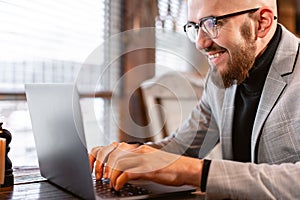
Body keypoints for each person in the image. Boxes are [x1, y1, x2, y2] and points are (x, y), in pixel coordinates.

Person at [89, 0, 300, 199]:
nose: (200, 42)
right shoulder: (220, 76)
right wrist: (133, 154)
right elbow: (184, 146)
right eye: (195, 26)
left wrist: (193, 171)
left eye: (212, 23)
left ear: (261, 22)